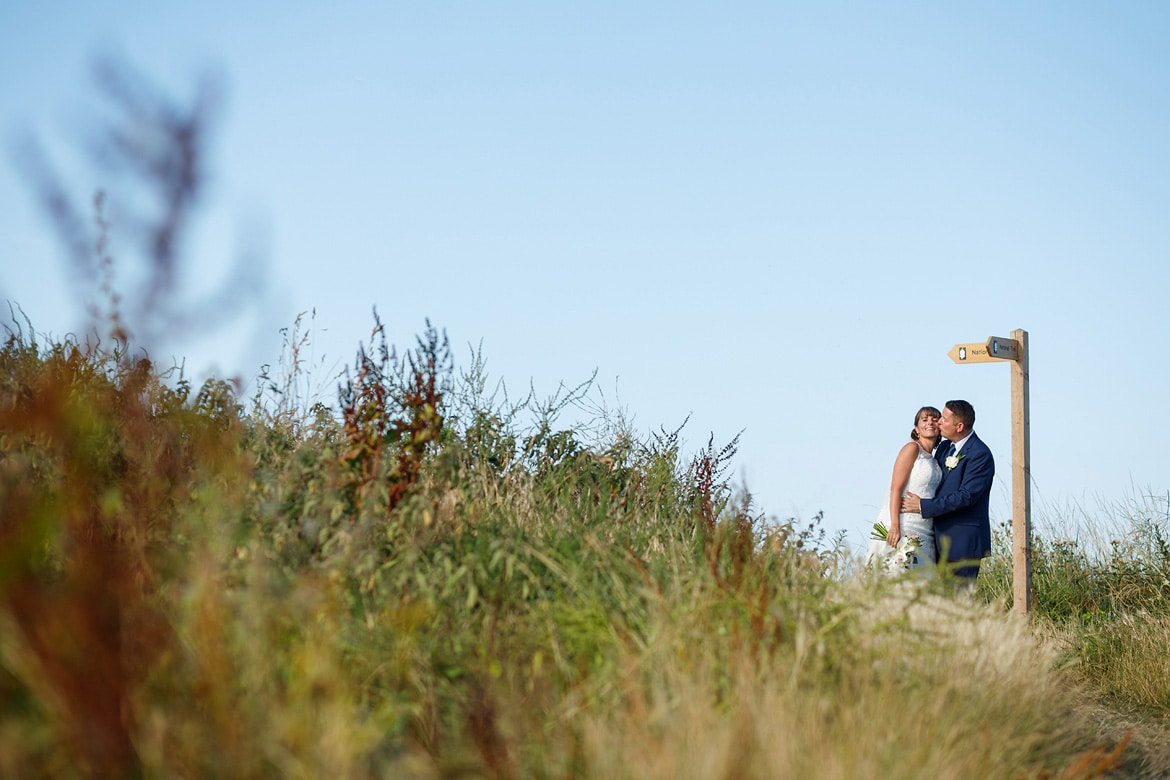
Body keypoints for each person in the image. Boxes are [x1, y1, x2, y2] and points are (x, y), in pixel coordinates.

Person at [902, 399, 994, 579]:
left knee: (958, 599)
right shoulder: (944, 447)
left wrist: (923, 506)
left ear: (959, 427)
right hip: (935, 538)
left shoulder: (980, 454)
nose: (938, 422)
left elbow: (966, 497)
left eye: (943, 419)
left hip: (962, 542)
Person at [864, 406, 943, 571]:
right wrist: (894, 525)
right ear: (916, 428)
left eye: (935, 419)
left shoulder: (935, 460)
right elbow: (895, 488)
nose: (930, 422)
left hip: (925, 529)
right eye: (925, 419)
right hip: (904, 524)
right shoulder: (912, 449)